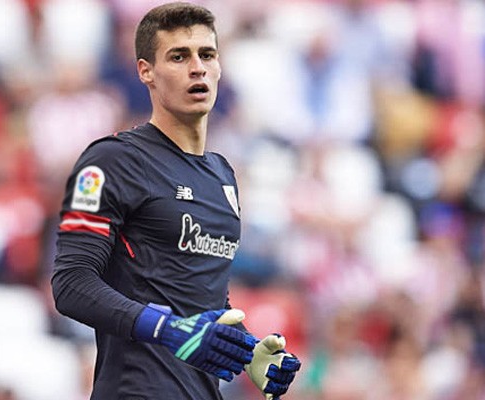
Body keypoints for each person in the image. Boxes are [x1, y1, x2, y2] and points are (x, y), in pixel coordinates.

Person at [51, 2, 301, 399]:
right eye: (179, 56)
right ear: (146, 71)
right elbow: (71, 284)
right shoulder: (113, 160)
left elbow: (199, 295)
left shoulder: (222, 174)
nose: (197, 68)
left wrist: (247, 352)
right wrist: (165, 329)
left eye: (207, 55)